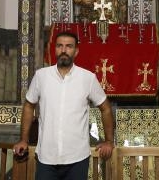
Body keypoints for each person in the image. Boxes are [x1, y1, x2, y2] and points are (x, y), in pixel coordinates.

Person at [13, 31, 115, 180]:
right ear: (54, 49)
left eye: (69, 46)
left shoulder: (87, 78)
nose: (64, 50)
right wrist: (23, 139)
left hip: (77, 158)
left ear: (76, 51)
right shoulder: (41, 76)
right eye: (60, 46)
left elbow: (105, 108)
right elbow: (29, 106)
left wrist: (109, 141)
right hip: (46, 157)